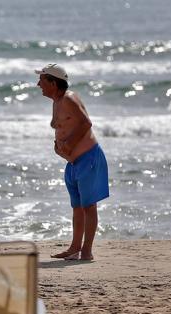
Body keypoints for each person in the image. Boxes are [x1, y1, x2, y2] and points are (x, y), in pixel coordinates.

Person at [35, 64, 109, 261]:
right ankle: (75, 248)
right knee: (77, 206)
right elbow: (63, 127)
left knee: (89, 206)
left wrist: (69, 143)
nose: (38, 84)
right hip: (74, 163)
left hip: (88, 158)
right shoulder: (56, 101)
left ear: (53, 82)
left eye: (41, 81)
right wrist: (59, 146)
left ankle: (87, 250)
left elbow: (86, 123)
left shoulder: (69, 98)